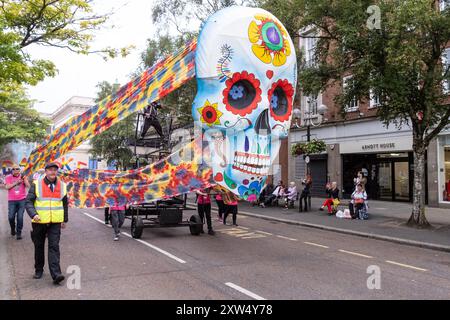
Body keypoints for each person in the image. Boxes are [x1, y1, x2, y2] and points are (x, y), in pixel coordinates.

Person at [25, 162, 67, 284]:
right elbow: (28, 202)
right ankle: (39, 269)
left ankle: (56, 274)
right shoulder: (36, 184)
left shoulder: (62, 185)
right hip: (39, 221)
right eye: (50, 169)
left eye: (55, 169)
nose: (53, 172)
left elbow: (64, 203)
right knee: (39, 246)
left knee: (54, 246)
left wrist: (64, 219)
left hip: (55, 221)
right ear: (46, 171)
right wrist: (34, 214)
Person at [5, 165, 30, 239]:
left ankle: (19, 233)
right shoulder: (8, 177)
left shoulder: (23, 177)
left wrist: (25, 180)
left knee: (20, 217)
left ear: (19, 170)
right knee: (11, 217)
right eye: (13, 169)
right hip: (12, 200)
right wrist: (16, 182)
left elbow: (28, 186)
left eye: (17, 169)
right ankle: (13, 229)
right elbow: (7, 187)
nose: (15, 170)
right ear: (12, 170)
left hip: (22, 200)